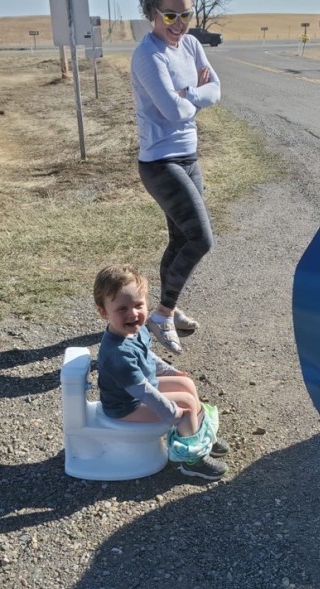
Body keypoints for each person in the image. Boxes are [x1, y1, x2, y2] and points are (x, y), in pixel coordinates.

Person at [131, 0, 221, 355]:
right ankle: (163, 314)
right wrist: (193, 97)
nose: (179, 23)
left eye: (186, 14)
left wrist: (189, 95)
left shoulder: (192, 44)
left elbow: (216, 90)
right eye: (170, 15)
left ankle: (165, 307)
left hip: (189, 156)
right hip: (159, 161)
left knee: (180, 239)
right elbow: (171, 111)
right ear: (152, 13)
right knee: (201, 239)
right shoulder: (148, 55)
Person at [94, 264, 229, 480]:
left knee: (186, 384)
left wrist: (172, 372)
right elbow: (143, 392)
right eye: (122, 309)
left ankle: (199, 434)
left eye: (138, 305)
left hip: (139, 390)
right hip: (125, 406)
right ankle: (192, 460)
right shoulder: (118, 354)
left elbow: (147, 356)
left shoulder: (134, 330)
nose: (133, 313)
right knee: (186, 408)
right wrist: (174, 414)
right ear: (103, 312)